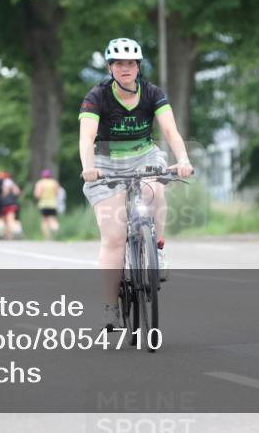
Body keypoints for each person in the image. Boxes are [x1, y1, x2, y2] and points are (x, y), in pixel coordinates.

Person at [79, 37, 194, 330]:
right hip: (105, 163)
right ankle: (110, 307)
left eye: (130, 63)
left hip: (144, 156)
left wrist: (182, 159)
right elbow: (86, 137)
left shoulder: (153, 93)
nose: (125, 68)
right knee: (114, 238)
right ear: (111, 68)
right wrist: (89, 168)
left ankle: (158, 248)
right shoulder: (97, 96)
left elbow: (170, 130)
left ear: (138, 66)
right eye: (119, 63)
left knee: (154, 190)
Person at [34, 169, 61, 240]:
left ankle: (47, 237)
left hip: (43, 204)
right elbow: (57, 193)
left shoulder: (40, 183)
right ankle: (56, 229)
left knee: (45, 220)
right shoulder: (54, 182)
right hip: (53, 203)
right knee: (53, 219)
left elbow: (37, 195)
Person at [0, 172, 23, 240]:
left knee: (8, 220)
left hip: (6, 204)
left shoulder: (4, 183)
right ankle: (10, 235)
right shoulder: (12, 183)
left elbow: (4, 193)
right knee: (11, 220)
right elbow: (17, 192)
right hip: (13, 203)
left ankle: (15, 232)